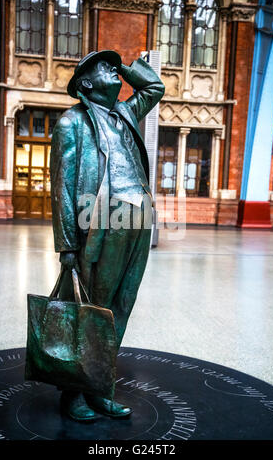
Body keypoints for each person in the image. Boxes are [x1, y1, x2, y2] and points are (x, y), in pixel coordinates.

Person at [50, 50, 164, 421]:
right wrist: (67, 244)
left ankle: (99, 387)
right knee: (93, 312)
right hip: (102, 219)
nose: (113, 71)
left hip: (138, 216)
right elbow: (62, 188)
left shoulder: (126, 112)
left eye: (115, 68)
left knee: (120, 309)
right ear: (85, 84)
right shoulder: (73, 123)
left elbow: (155, 86)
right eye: (104, 67)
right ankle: (74, 393)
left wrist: (126, 69)